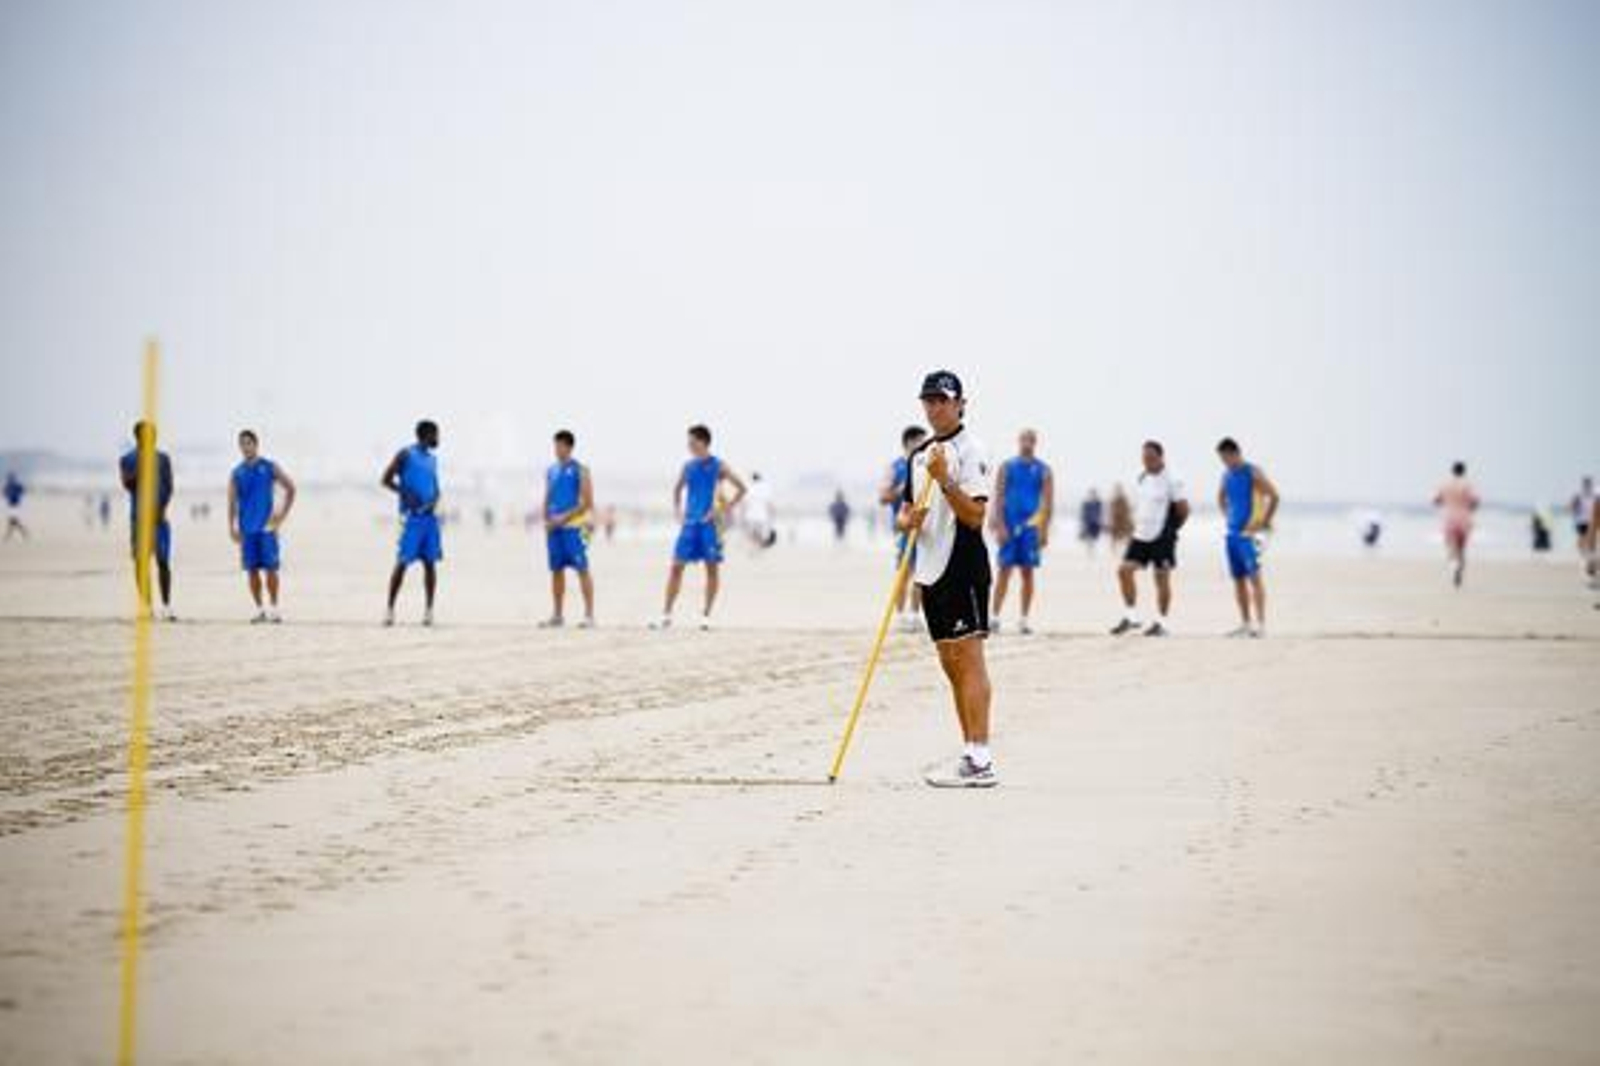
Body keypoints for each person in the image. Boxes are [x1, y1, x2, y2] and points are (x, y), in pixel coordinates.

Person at [903, 370, 998, 789]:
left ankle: (981, 758)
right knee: (950, 664)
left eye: (943, 400)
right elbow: (908, 512)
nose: (935, 408)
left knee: (970, 659)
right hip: (930, 569)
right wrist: (908, 520)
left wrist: (944, 479)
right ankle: (969, 752)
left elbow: (975, 516)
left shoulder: (971, 450)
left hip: (963, 564)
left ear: (960, 404)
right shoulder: (918, 455)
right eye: (929, 400)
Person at [651, 424, 747, 630]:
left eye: (692, 441)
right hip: (689, 524)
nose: (689, 445)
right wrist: (678, 512)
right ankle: (666, 614)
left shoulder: (719, 465)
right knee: (676, 567)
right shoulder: (688, 466)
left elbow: (741, 488)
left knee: (711, 569)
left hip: (710, 526)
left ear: (703, 442)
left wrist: (722, 510)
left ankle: (706, 615)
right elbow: (677, 490)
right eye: (689, 442)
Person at [1110, 440, 1188, 637]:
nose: (1147, 461)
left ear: (1161, 457)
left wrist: (1170, 530)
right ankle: (1131, 617)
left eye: (1151, 458)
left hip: (1162, 536)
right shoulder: (1142, 477)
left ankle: (1162, 623)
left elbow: (1183, 510)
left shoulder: (1173, 479)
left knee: (1161, 578)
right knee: (1124, 571)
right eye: (1144, 458)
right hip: (1140, 535)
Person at [228, 430, 296, 623]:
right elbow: (232, 502)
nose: (245, 447)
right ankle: (259, 610)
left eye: (248, 443)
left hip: (267, 529)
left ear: (256, 444)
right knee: (252, 571)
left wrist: (281, 516)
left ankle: (274, 608)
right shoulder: (237, 473)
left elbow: (291, 488)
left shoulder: (269, 467)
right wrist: (232, 528)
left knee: (271, 569)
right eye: (242, 444)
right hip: (247, 529)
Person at [989, 429, 1053, 634]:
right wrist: (999, 525)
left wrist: (1044, 530)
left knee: (1028, 573)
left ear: (1035, 443)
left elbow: (1048, 503)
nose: (1027, 443)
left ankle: (1024, 619)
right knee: (1004, 571)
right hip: (1009, 524)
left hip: (1031, 527)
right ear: (1018, 441)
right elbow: (998, 497)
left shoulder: (1044, 470)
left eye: (1031, 440)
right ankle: (994, 617)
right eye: (1024, 439)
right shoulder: (1007, 466)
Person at [381, 420, 443, 626]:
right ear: (427, 435)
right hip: (411, 518)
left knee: (430, 564)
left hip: (430, 520)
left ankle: (429, 611)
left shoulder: (433, 459)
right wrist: (404, 493)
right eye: (436, 434)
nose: (438, 439)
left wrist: (434, 500)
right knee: (402, 562)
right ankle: (390, 609)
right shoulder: (406, 454)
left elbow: (436, 488)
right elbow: (385, 479)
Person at [1216, 437, 1279, 637]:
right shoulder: (1226, 475)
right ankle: (1245, 624)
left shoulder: (1252, 472)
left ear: (1235, 453)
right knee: (1238, 579)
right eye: (1222, 459)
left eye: (1226, 458)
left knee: (1255, 577)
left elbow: (1274, 496)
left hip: (1251, 534)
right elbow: (1220, 498)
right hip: (1233, 533)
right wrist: (1228, 516)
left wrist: (1264, 521)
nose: (1225, 462)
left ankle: (1261, 625)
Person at [119, 421, 176, 619]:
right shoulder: (127, 459)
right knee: (141, 563)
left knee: (163, 561)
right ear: (137, 437)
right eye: (146, 435)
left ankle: (166, 606)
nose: (151, 438)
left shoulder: (163, 459)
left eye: (153, 435)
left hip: (159, 519)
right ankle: (147, 607)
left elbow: (169, 486)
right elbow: (127, 484)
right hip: (138, 519)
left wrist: (162, 508)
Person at [540, 429, 595, 628]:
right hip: (554, 529)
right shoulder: (551, 470)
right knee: (556, 570)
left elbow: (587, 502)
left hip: (575, 527)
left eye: (561, 446)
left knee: (582, 569)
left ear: (569, 447)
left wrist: (563, 518)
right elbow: (547, 497)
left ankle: (589, 615)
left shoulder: (581, 470)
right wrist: (546, 519)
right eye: (555, 445)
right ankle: (557, 614)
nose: (557, 449)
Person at [881, 426, 928, 632]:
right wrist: (901, 488)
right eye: (921, 441)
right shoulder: (896, 467)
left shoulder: (925, 465)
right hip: (902, 528)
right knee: (903, 573)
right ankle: (900, 615)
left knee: (921, 573)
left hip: (924, 528)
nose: (925, 445)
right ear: (909, 442)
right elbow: (883, 497)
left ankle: (915, 614)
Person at [1433, 461, 1480, 589]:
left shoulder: (1445, 484)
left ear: (1452, 471)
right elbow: (1475, 502)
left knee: (1451, 547)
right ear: (1463, 471)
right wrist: (1469, 507)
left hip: (1449, 519)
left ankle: (1454, 565)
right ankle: (1459, 568)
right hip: (1465, 519)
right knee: (1461, 549)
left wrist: (1445, 502)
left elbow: (1436, 500)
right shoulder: (1468, 485)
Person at [742, 472, 777, 549]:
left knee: (753, 533)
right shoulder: (765, 489)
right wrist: (772, 514)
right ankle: (760, 545)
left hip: (750, 515)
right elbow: (769, 504)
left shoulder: (749, 488)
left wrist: (743, 515)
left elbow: (745, 503)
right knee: (760, 533)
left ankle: (755, 546)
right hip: (762, 515)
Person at [1108, 484, 1134, 555]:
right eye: (1117, 490)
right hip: (1116, 520)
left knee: (1129, 532)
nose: (1118, 491)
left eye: (1119, 490)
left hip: (1124, 520)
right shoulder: (1113, 500)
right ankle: (1114, 551)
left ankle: (1128, 549)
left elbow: (1128, 509)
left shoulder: (1124, 499)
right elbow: (1111, 511)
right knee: (1114, 537)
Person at [3, 472, 27, 541]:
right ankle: (22, 532)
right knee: (13, 520)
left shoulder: (14, 485)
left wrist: (16, 496)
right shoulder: (10, 485)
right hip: (12, 504)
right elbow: (5, 492)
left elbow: (22, 490)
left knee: (13, 520)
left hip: (14, 504)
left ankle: (9, 535)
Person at [1079, 488, 1104, 555]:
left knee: (1094, 537)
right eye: (1091, 494)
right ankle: (1090, 549)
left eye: (1093, 494)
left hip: (1096, 522)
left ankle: (1092, 549)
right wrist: (1083, 522)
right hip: (1088, 522)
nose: (1092, 496)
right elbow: (1084, 513)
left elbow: (1100, 512)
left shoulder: (1098, 503)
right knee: (1089, 537)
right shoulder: (1086, 503)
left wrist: (1100, 520)